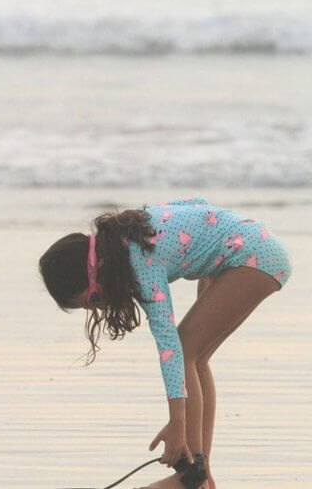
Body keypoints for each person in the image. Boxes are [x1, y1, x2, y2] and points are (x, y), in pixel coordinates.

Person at [38, 198, 291, 489]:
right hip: (248, 248)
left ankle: (191, 475)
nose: (98, 309)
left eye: (93, 299)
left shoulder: (139, 262)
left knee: (184, 349)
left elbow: (169, 347)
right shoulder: (128, 234)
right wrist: (213, 251)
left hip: (252, 257)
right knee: (196, 356)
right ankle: (200, 473)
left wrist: (178, 424)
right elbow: (195, 204)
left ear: (100, 267)